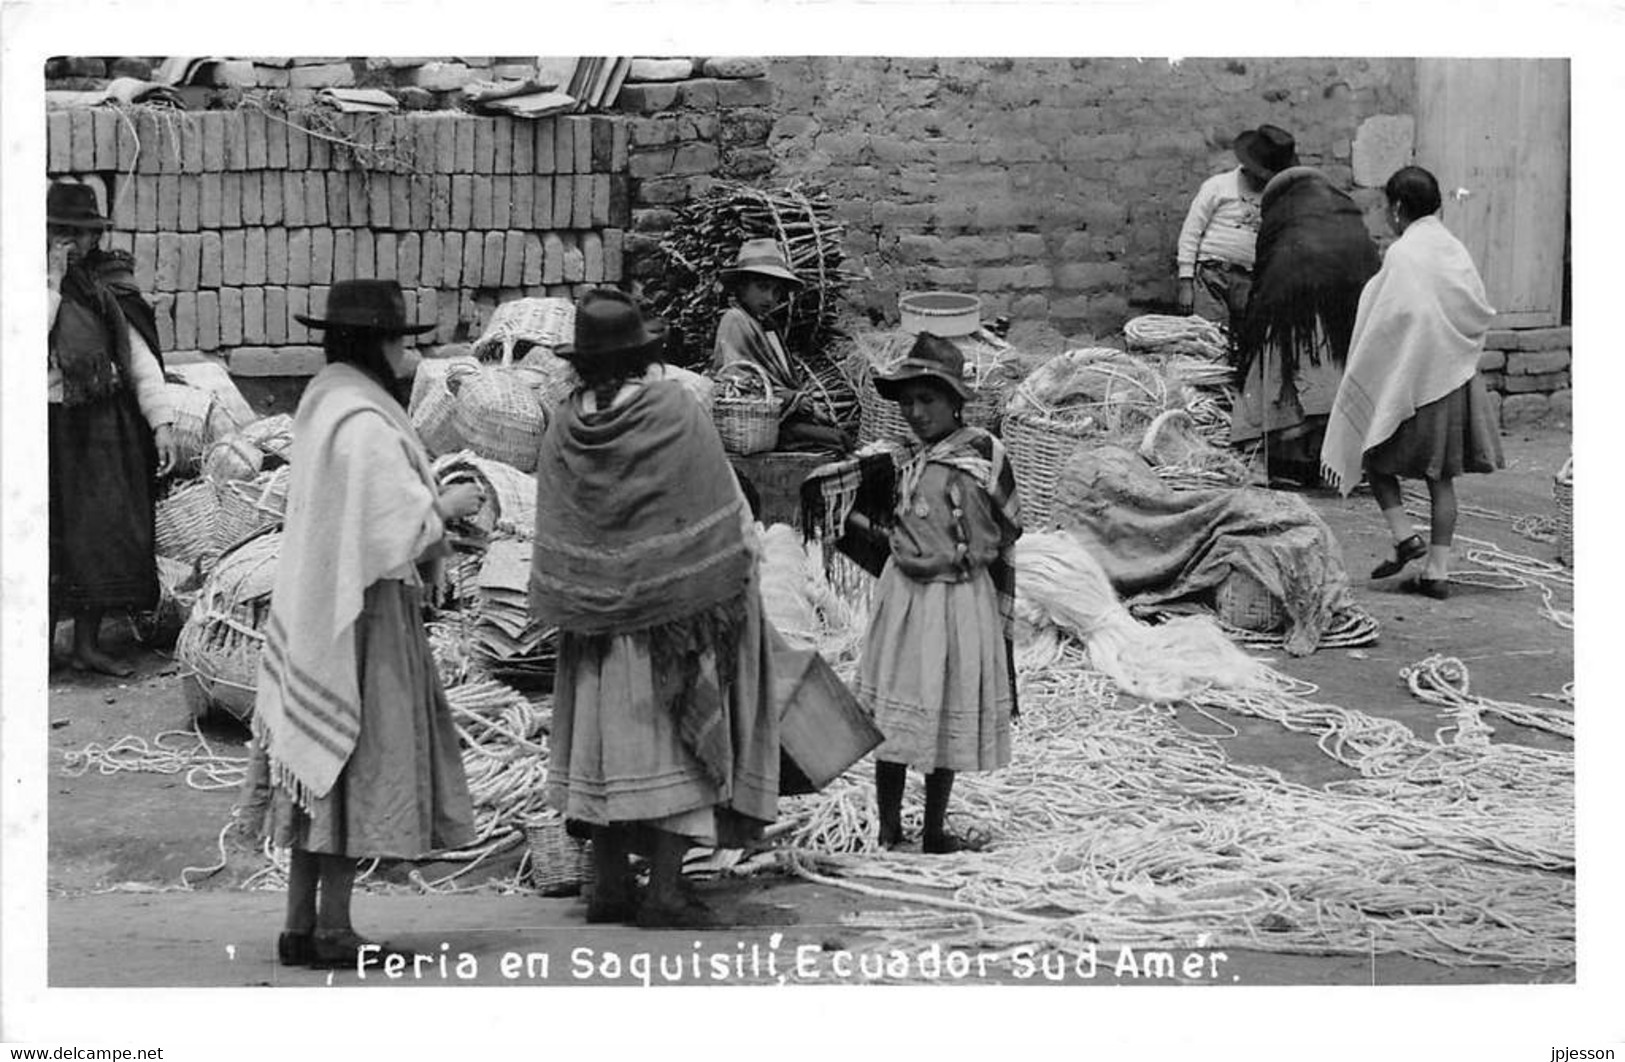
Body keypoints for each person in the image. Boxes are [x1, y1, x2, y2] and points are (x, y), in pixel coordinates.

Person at [242, 279, 481, 969]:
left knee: (313, 773)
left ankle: (298, 924)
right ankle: (336, 930)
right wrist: (447, 505)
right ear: (378, 343)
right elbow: (389, 529)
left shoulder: (326, 402)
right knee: (350, 760)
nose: (406, 356)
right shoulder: (366, 423)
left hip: (318, 604)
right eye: (400, 341)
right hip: (363, 616)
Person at [532, 288, 781, 928]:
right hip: (672, 617)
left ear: (580, 364)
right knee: (670, 744)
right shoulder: (674, 408)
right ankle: (665, 891)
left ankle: (610, 886)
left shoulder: (565, 422)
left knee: (606, 749)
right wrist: (731, 565)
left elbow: (561, 518)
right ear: (642, 356)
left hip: (594, 623)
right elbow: (714, 499)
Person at [851, 333, 1022, 853]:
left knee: (944, 700)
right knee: (897, 711)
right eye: (908, 403)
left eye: (928, 400)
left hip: (956, 598)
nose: (916, 413)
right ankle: (887, 826)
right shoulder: (907, 461)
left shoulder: (981, 456)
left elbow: (1002, 529)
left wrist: (952, 557)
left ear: (955, 402)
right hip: (904, 599)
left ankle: (932, 829)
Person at [1321, 166, 1505, 599]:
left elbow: (1393, 317)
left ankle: (1405, 535)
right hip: (1452, 379)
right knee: (1441, 481)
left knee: (1373, 454)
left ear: (1398, 208)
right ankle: (1437, 571)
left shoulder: (1404, 254)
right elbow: (1474, 307)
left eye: (1387, 207)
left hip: (1415, 381)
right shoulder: (1453, 249)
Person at [47, 182, 178, 677]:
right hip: (44, 428)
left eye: (82, 233)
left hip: (101, 428)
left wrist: (161, 422)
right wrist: (52, 287)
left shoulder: (107, 286)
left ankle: (87, 645)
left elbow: (138, 356)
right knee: (45, 539)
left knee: (100, 534)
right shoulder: (26, 282)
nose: (73, 243)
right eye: (62, 232)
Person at [1230, 146, 1382, 485]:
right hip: (1342, 317)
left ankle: (1279, 456)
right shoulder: (1342, 210)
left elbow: (1266, 278)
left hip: (1292, 314)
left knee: (1276, 366)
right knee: (1333, 372)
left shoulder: (1282, 218)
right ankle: (1335, 458)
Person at [712, 237, 850, 452]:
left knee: (837, 436)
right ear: (742, 287)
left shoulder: (767, 325)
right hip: (756, 422)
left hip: (779, 416)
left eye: (776, 292)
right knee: (837, 440)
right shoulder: (735, 320)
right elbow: (737, 382)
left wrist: (801, 402)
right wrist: (793, 399)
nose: (770, 298)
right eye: (762, 287)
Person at [1174, 125, 1290, 328]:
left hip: (1251, 280)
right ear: (1247, 164)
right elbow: (1191, 231)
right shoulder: (1218, 186)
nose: (1261, 179)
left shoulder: (1274, 198)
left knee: (1246, 340)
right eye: (1258, 173)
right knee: (1212, 336)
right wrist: (1186, 282)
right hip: (1213, 274)